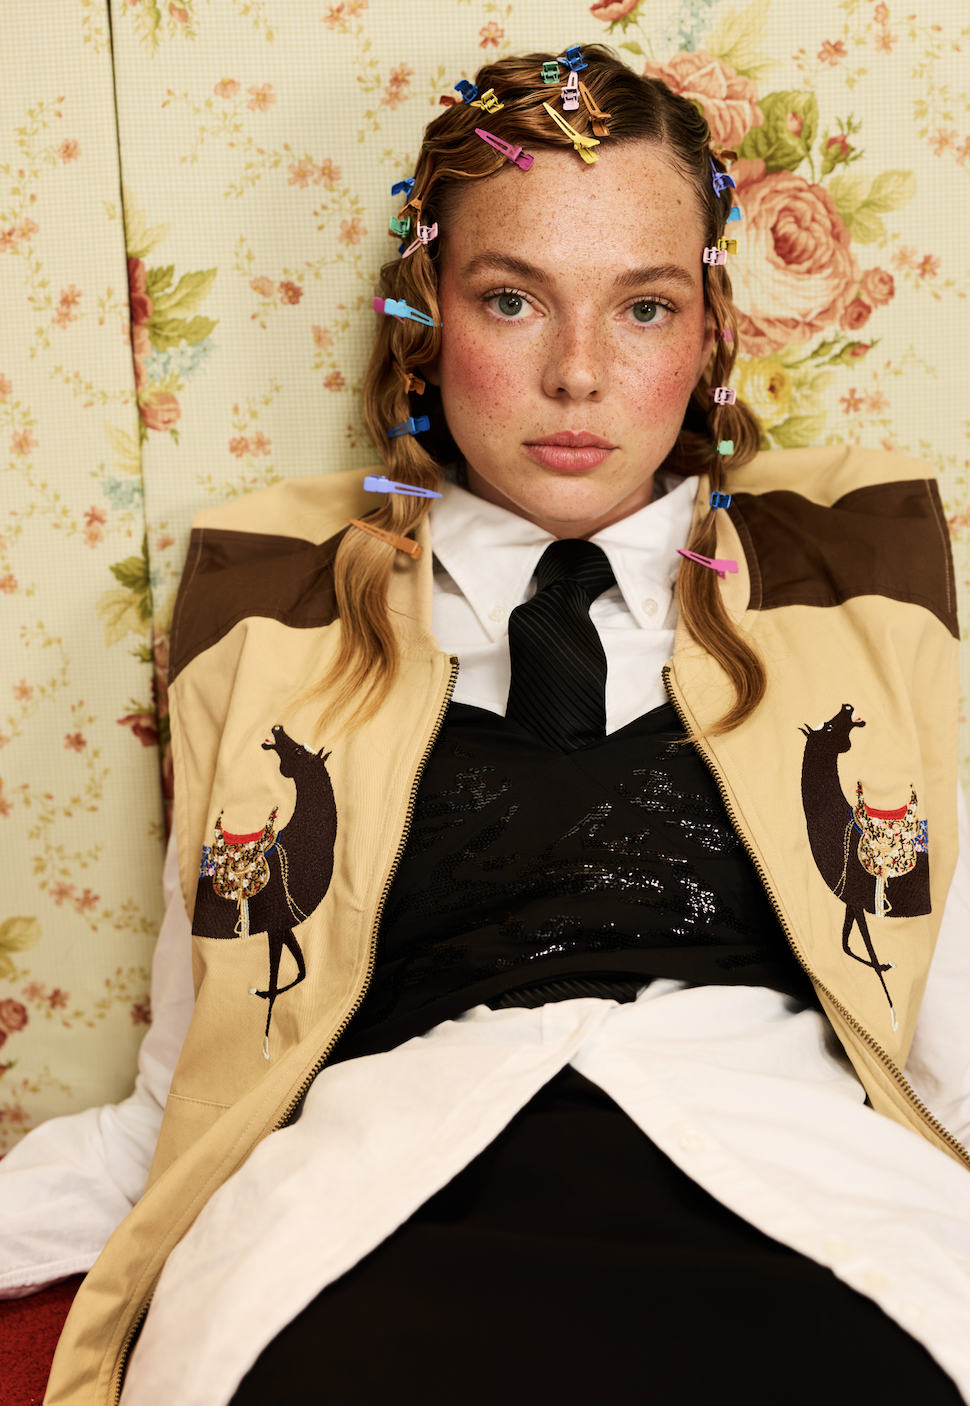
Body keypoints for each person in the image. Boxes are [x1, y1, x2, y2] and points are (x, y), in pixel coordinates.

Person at [3, 46, 970, 1406]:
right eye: (512, 299)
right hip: (379, 1212)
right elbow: (192, 1092)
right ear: (425, 313)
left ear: (704, 335)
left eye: (641, 307)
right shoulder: (275, 620)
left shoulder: (848, 593)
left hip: (785, 1195)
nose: (577, 374)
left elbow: (946, 1036)